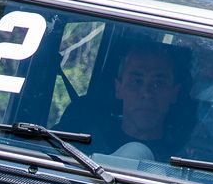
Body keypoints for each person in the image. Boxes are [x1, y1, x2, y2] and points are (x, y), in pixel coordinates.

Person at [53, 37, 193, 158]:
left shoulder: (188, 162)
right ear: (119, 88)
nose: (147, 93)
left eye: (158, 83)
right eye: (137, 81)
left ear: (174, 93)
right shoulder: (78, 139)